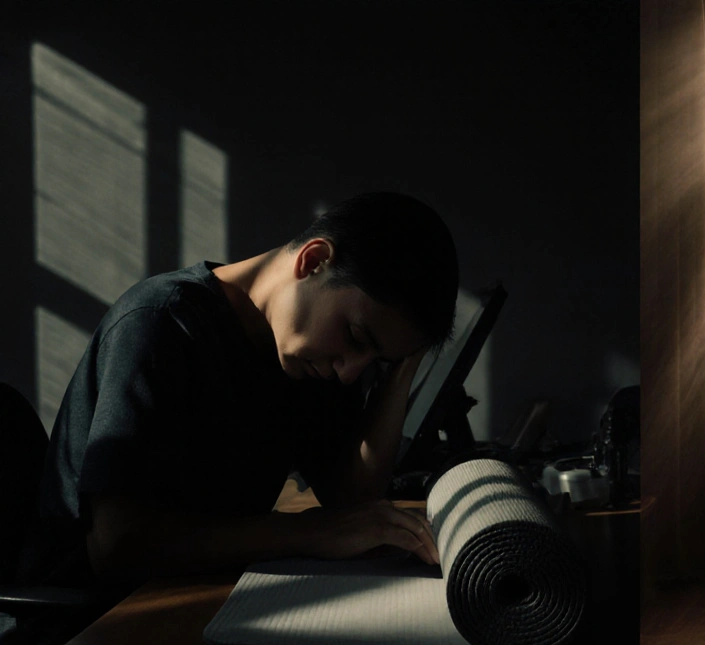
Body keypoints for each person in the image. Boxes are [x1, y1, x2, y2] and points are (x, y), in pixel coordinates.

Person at [17, 192, 458, 593]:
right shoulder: (160, 324)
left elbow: (354, 505)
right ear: (314, 261)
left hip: (196, 596)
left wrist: (403, 366)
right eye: (357, 337)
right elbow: (116, 547)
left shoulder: (311, 360)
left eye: (374, 359)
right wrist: (308, 531)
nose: (349, 374)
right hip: (81, 625)